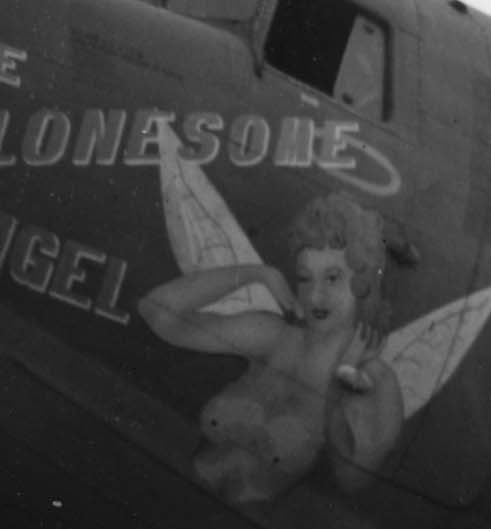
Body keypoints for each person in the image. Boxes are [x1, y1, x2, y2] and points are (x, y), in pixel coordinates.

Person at [138, 194, 404, 505]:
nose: (315, 294)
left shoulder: (374, 379)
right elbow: (156, 312)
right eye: (305, 278)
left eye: (332, 278)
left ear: (364, 284)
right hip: (169, 498)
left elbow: (354, 482)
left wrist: (337, 391)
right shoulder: (274, 336)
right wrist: (256, 274)